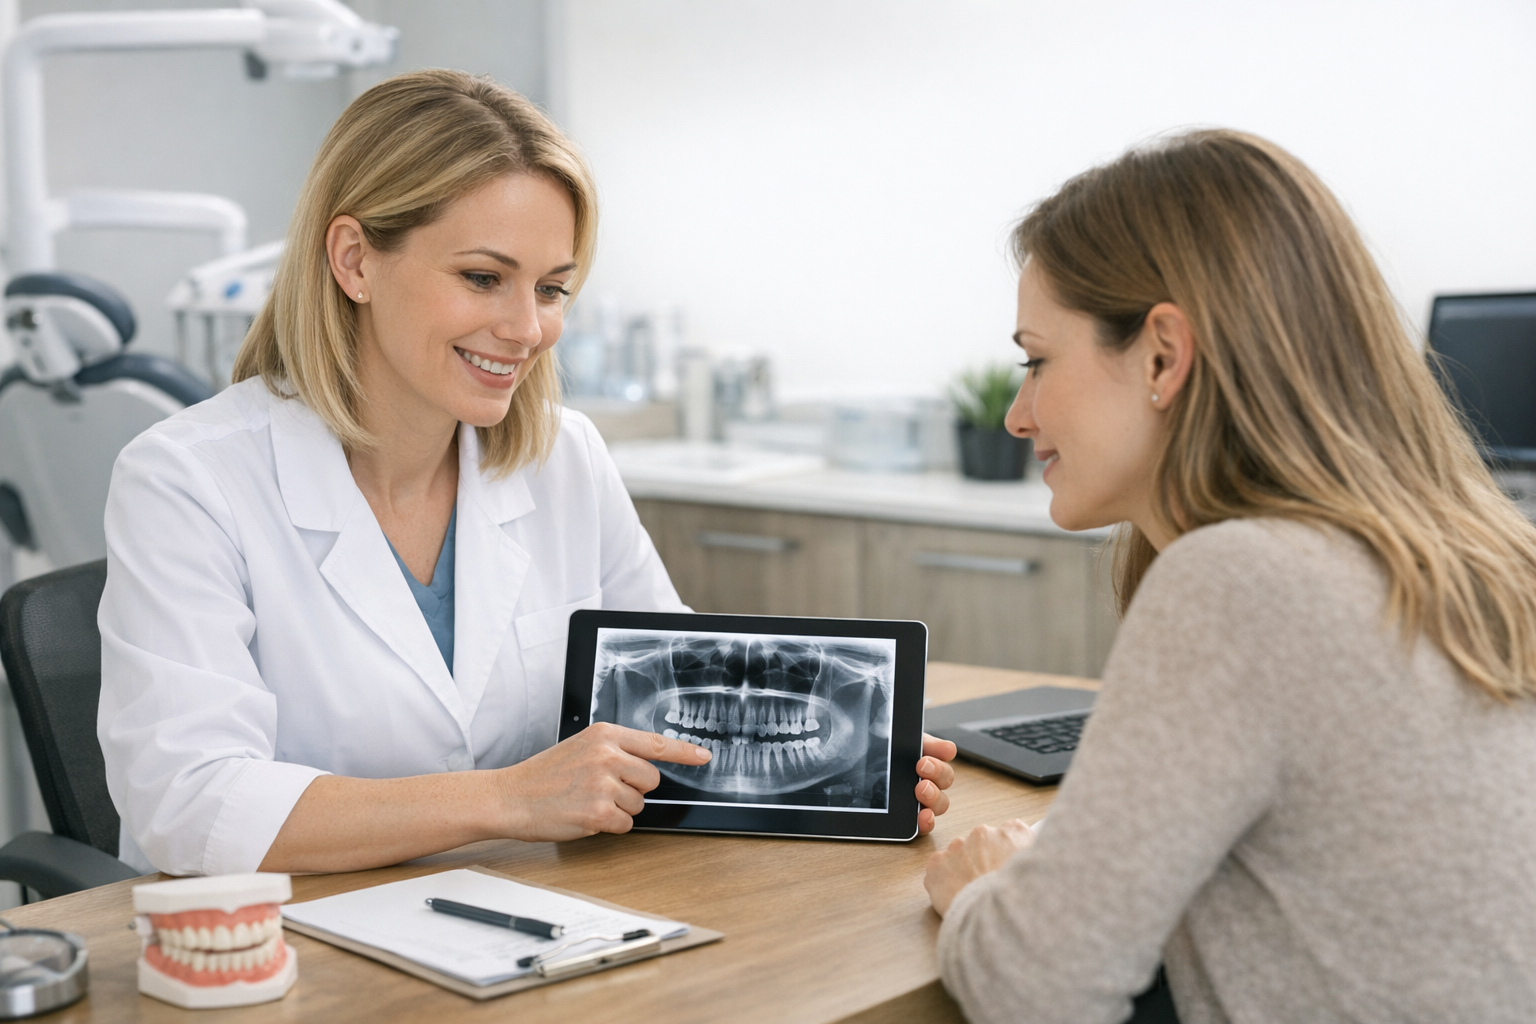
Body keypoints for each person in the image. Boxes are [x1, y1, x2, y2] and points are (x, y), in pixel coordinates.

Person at [98, 69, 955, 877]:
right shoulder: (187, 480)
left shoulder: (562, 455)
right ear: (354, 260)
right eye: (482, 278)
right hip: (286, 953)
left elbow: (673, 689)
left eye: (551, 289)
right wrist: (506, 799)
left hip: (524, 921)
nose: (527, 327)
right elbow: (187, 800)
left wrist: (853, 776)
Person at [923, 129, 1536, 1024]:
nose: (1018, 415)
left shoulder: (1246, 579)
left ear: (1164, 355)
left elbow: (1036, 985)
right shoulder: (1481, 552)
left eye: (1037, 360)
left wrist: (984, 889)